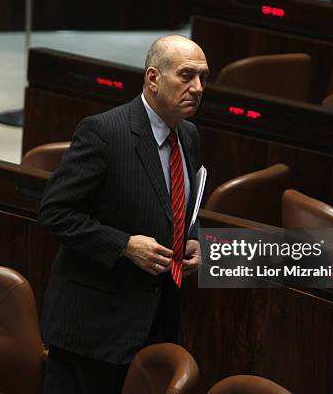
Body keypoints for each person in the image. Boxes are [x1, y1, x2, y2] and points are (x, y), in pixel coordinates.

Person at [38, 35, 209, 394]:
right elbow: (55, 212)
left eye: (203, 78)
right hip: (92, 328)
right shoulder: (104, 132)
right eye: (186, 75)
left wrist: (192, 237)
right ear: (152, 79)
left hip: (152, 323)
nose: (197, 88)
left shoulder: (189, 135)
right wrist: (125, 245)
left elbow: (175, 202)